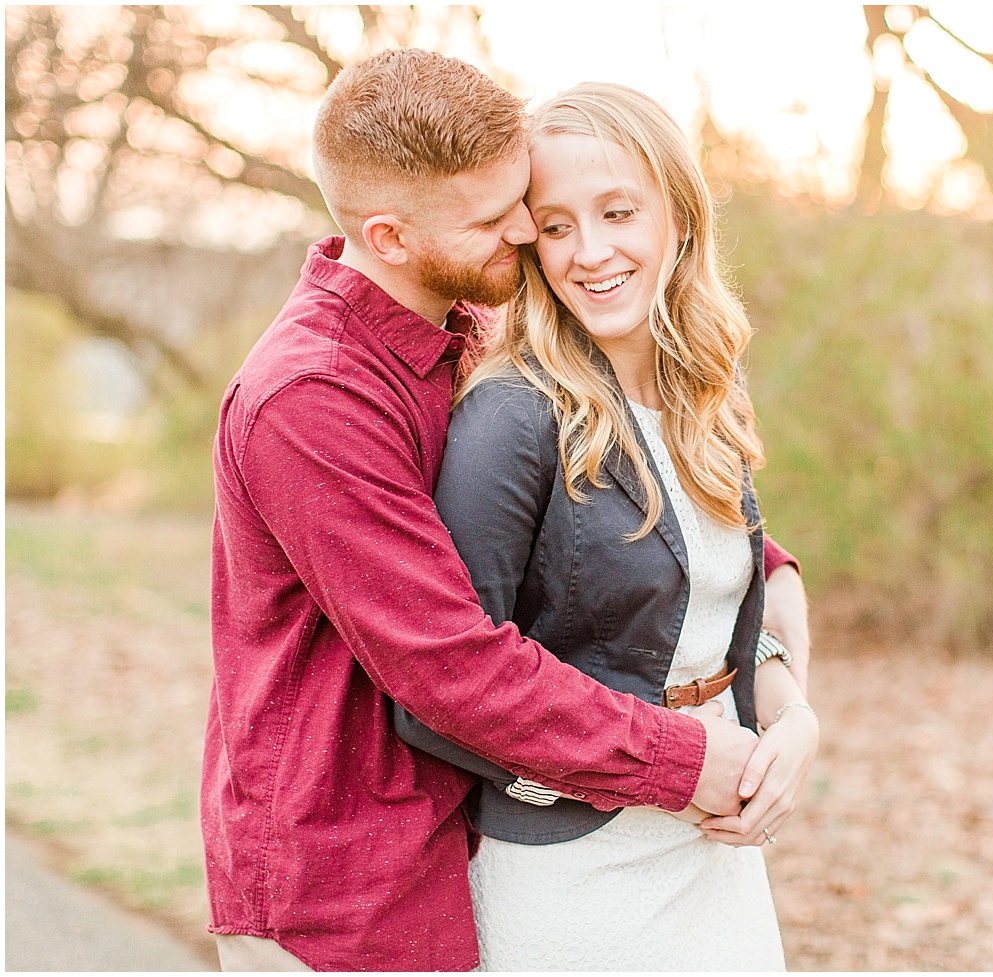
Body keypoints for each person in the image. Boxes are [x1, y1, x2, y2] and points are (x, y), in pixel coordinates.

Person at [203, 49, 809, 972]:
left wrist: (772, 671)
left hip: (466, 832)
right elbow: (450, 663)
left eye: (523, 197)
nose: (528, 231)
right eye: (497, 217)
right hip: (344, 875)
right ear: (391, 236)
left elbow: (661, 534)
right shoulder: (312, 399)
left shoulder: (469, 327)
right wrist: (690, 761)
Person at [395, 82, 819, 972]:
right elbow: (442, 693)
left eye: (618, 211)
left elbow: (725, 603)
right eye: (555, 226)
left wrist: (791, 718)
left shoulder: (708, 387)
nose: (591, 252)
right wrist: (666, 764)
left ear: (679, 214)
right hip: (575, 873)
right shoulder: (511, 417)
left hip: (715, 856)